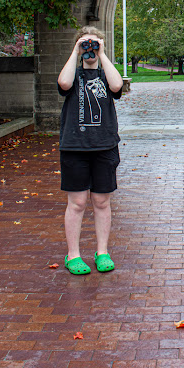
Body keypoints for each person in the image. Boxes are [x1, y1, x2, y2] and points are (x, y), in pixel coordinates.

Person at [57, 26, 124, 275]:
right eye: (85, 44)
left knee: (102, 201)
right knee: (77, 203)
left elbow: (117, 86)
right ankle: (73, 255)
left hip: (104, 145)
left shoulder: (106, 74)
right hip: (74, 146)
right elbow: (64, 83)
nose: (90, 49)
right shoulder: (73, 74)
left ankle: (102, 252)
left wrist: (102, 53)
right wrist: (76, 52)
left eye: (94, 44)